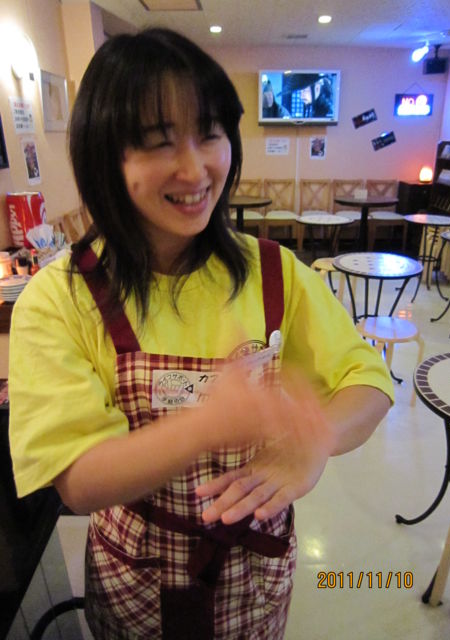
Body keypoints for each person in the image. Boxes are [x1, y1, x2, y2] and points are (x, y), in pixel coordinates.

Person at [9, 28, 393, 640]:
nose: (196, 168)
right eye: (159, 141)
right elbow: (78, 482)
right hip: (134, 580)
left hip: (254, 576)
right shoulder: (61, 299)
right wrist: (208, 423)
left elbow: (368, 381)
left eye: (210, 133)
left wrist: (315, 441)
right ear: (104, 157)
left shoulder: (275, 273)